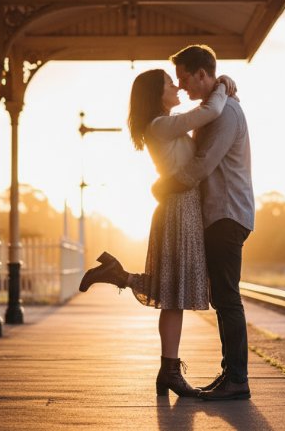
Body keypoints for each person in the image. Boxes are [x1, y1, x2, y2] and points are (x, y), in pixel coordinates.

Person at [79, 67, 237, 398]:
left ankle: (119, 277)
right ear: (156, 94)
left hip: (182, 206)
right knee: (173, 293)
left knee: (172, 291)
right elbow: (211, 111)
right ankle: (169, 370)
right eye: (170, 83)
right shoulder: (160, 125)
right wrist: (222, 83)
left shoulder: (166, 125)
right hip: (179, 208)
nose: (177, 86)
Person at [152, 44, 254, 402]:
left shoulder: (226, 115)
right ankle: (230, 374)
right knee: (222, 298)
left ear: (202, 74)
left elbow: (202, 165)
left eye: (185, 79)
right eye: (176, 80)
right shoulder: (215, 109)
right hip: (219, 214)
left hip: (226, 214)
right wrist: (225, 85)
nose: (183, 87)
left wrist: (165, 185)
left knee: (227, 299)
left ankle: (238, 378)